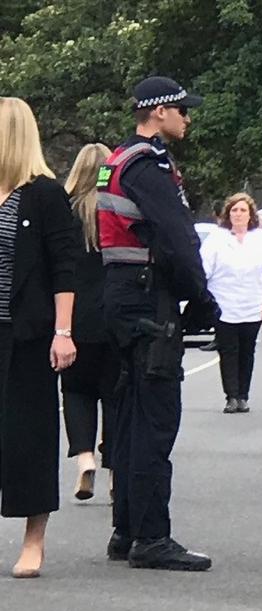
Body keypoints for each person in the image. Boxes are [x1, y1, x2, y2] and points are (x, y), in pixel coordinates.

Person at [98, 76, 217, 571]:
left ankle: (126, 530)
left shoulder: (117, 161)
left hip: (121, 296)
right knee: (154, 421)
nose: (188, 118)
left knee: (127, 420)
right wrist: (201, 298)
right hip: (150, 299)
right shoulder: (149, 165)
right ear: (160, 111)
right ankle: (151, 536)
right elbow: (177, 236)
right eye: (182, 110)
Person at [0, 98, 78, 578]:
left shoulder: (44, 194)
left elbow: (63, 267)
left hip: (25, 333)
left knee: (28, 434)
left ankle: (34, 539)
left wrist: (62, 331)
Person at [61, 142, 119, 503]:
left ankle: (84, 457)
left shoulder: (65, 214)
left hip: (74, 315)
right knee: (115, 396)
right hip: (113, 314)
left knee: (76, 391)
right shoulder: (115, 211)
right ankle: (115, 471)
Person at [202, 193, 262, 414]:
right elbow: (204, 270)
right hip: (224, 303)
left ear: (250, 215)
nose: (238, 214)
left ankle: (243, 395)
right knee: (228, 349)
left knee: (247, 350)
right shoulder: (216, 239)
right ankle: (231, 395)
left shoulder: (260, 239)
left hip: (253, 303)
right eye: (234, 210)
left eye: (242, 210)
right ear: (228, 214)